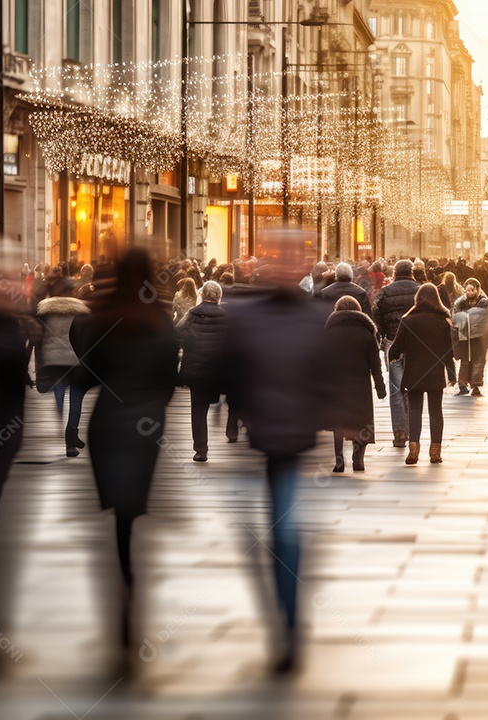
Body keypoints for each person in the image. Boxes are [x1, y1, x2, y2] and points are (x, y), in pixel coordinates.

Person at [222, 254, 335, 673]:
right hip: (278, 432)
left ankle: (287, 623)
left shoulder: (262, 313)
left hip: (284, 435)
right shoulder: (298, 313)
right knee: (280, 525)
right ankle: (287, 619)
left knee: (282, 528)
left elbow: (327, 371)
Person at [73, 250, 178, 640]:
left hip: (108, 422)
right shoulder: (160, 320)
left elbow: (86, 376)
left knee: (118, 509)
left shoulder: (105, 319)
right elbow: (170, 378)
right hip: (147, 423)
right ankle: (132, 585)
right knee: (131, 509)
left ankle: (124, 578)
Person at [389, 283, 456, 465]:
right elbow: (448, 351)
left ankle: (413, 451)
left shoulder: (408, 320)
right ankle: (435, 452)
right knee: (436, 411)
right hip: (435, 374)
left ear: (418, 298)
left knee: (414, 410)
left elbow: (395, 349)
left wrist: (394, 358)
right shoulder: (443, 321)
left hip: (413, 374)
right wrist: (451, 374)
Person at [27, 283, 92, 456]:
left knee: (60, 386)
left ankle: (60, 413)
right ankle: (71, 438)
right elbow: (87, 339)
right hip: (75, 358)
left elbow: (37, 338)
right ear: (72, 293)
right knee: (76, 397)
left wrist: (37, 360)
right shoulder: (81, 312)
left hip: (52, 358)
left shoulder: (44, 312)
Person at [325, 296, 386, 472]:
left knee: (338, 423)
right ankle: (358, 459)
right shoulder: (366, 333)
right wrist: (380, 387)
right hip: (360, 385)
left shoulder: (330, 332)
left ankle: (339, 461)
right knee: (361, 421)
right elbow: (375, 363)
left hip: (337, 384)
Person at [177, 281, 230, 462]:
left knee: (198, 410)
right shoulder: (227, 316)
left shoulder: (191, 314)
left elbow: (178, 335)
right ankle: (232, 428)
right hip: (220, 372)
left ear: (203, 294)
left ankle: (201, 449)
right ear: (219, 297)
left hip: (196, 370)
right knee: (225, 400)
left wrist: (191, 348)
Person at [373, 260, 420, 448]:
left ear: (395, 273)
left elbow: (376, 314)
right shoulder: (420, 289)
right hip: (416, 343)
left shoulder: (385, 291)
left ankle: (400, 432)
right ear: (411, 272)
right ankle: (412, 431)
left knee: (395, 388)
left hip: (393, 342)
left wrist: (383, 335)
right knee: (413, 387)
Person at [452, 278, 488, 396]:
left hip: (478, 336)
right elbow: (455, 315)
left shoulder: (484, 303)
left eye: (472, 290)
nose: (469, 292)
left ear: (477, 290)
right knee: (465, 360)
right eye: (467, 290)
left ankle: (476, 385)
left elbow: (487, 317)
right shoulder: (460, 302)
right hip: (465, 335)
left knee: (478, 361)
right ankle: (462, 385)